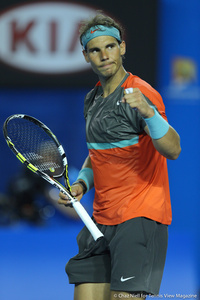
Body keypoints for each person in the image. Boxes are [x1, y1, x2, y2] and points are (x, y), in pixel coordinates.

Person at [58, 12, 181, 300]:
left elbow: (173, 149)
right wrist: (81, 184)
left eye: (110, 46)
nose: (104, 55)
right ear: (86, 56)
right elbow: (98, 155)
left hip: (139, 217)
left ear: (122, 48)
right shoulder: (92, 99)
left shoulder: (141, 92)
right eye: (95, 50)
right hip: (100, 219)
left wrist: (149, 112)